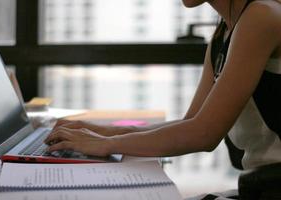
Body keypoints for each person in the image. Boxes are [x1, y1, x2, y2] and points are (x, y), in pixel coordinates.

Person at [45, 0, 281, 199]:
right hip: (261, 185)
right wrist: (104, 132)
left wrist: (107, 144)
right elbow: (192, 122)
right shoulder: (224, 33)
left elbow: (204, 135)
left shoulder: (261, 16)